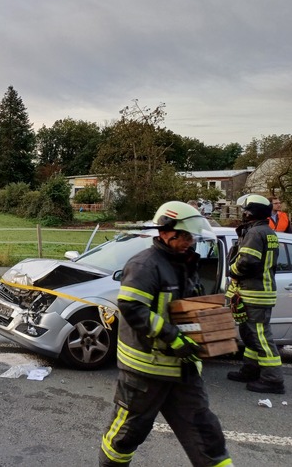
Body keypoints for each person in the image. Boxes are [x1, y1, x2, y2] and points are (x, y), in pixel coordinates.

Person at [99, 200, 232, 467]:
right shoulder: (145, 265)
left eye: (191, 236)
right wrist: (172, 336)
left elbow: (187, 307)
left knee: (207, 434)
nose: (189, 242)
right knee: (127, 435)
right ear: (165, 232)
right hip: (145, 370)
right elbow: (132, 307)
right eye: (184, 236)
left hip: (182, 368)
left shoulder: (186, 262)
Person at [226, 194, 284, 394]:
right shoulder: (266, 231)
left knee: (260, 336)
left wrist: (231, 270)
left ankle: (273, 379)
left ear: (252, 212)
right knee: (251, 335)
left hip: (255, 293)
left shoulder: (255, 233)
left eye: (245, 210)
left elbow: (247, 262)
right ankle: (251, 369)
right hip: (259, 292)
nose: (243, 213)